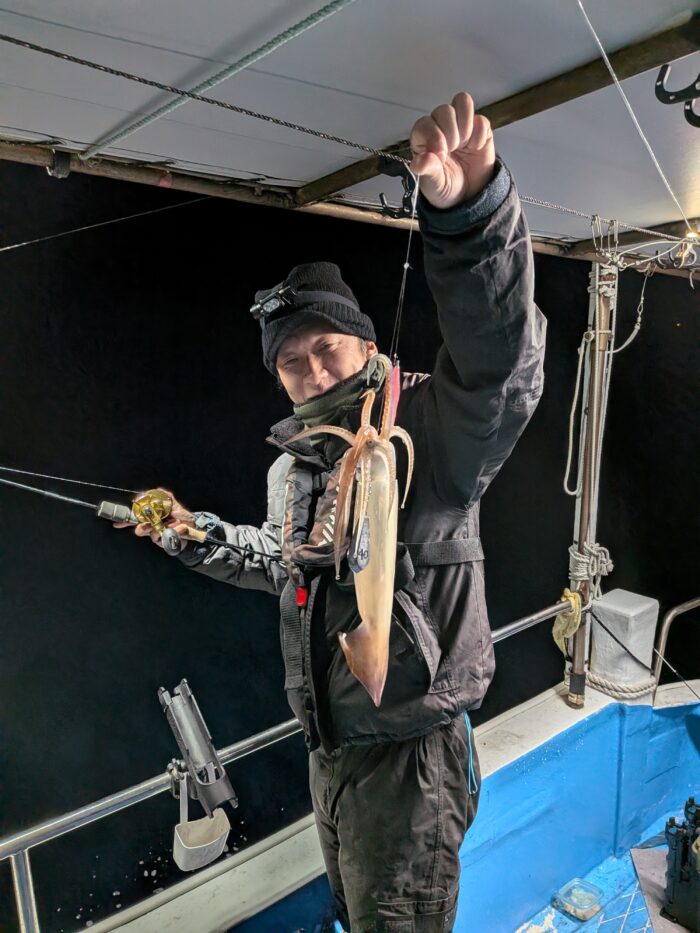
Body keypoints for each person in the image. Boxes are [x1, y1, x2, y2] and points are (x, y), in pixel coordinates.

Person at [119, 92, 546, 932]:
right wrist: (193, 533)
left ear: (365, 344)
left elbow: (501, 367)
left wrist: (469, 218)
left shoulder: (428, 433)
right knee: (356, 913)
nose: (313, 373)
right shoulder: (295, 466)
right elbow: (283, 562)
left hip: (410, 760)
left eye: (327, 348)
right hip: (332, 753)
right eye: (292, 363)